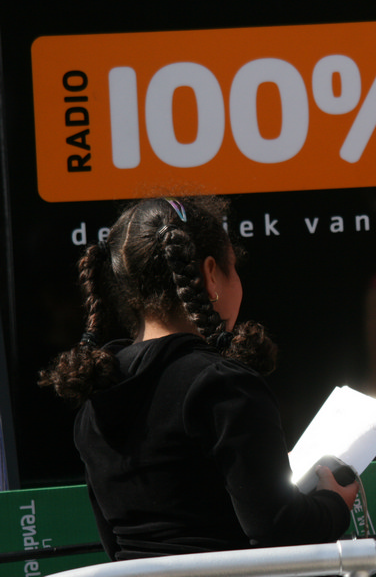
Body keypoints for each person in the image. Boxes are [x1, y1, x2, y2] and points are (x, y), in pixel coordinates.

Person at [38, 196, 358, 560]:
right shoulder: (224, 384)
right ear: (210, 274)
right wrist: (333, 503)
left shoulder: (97, 393)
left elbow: (115, 545)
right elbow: (280, 529)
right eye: (234, 267)